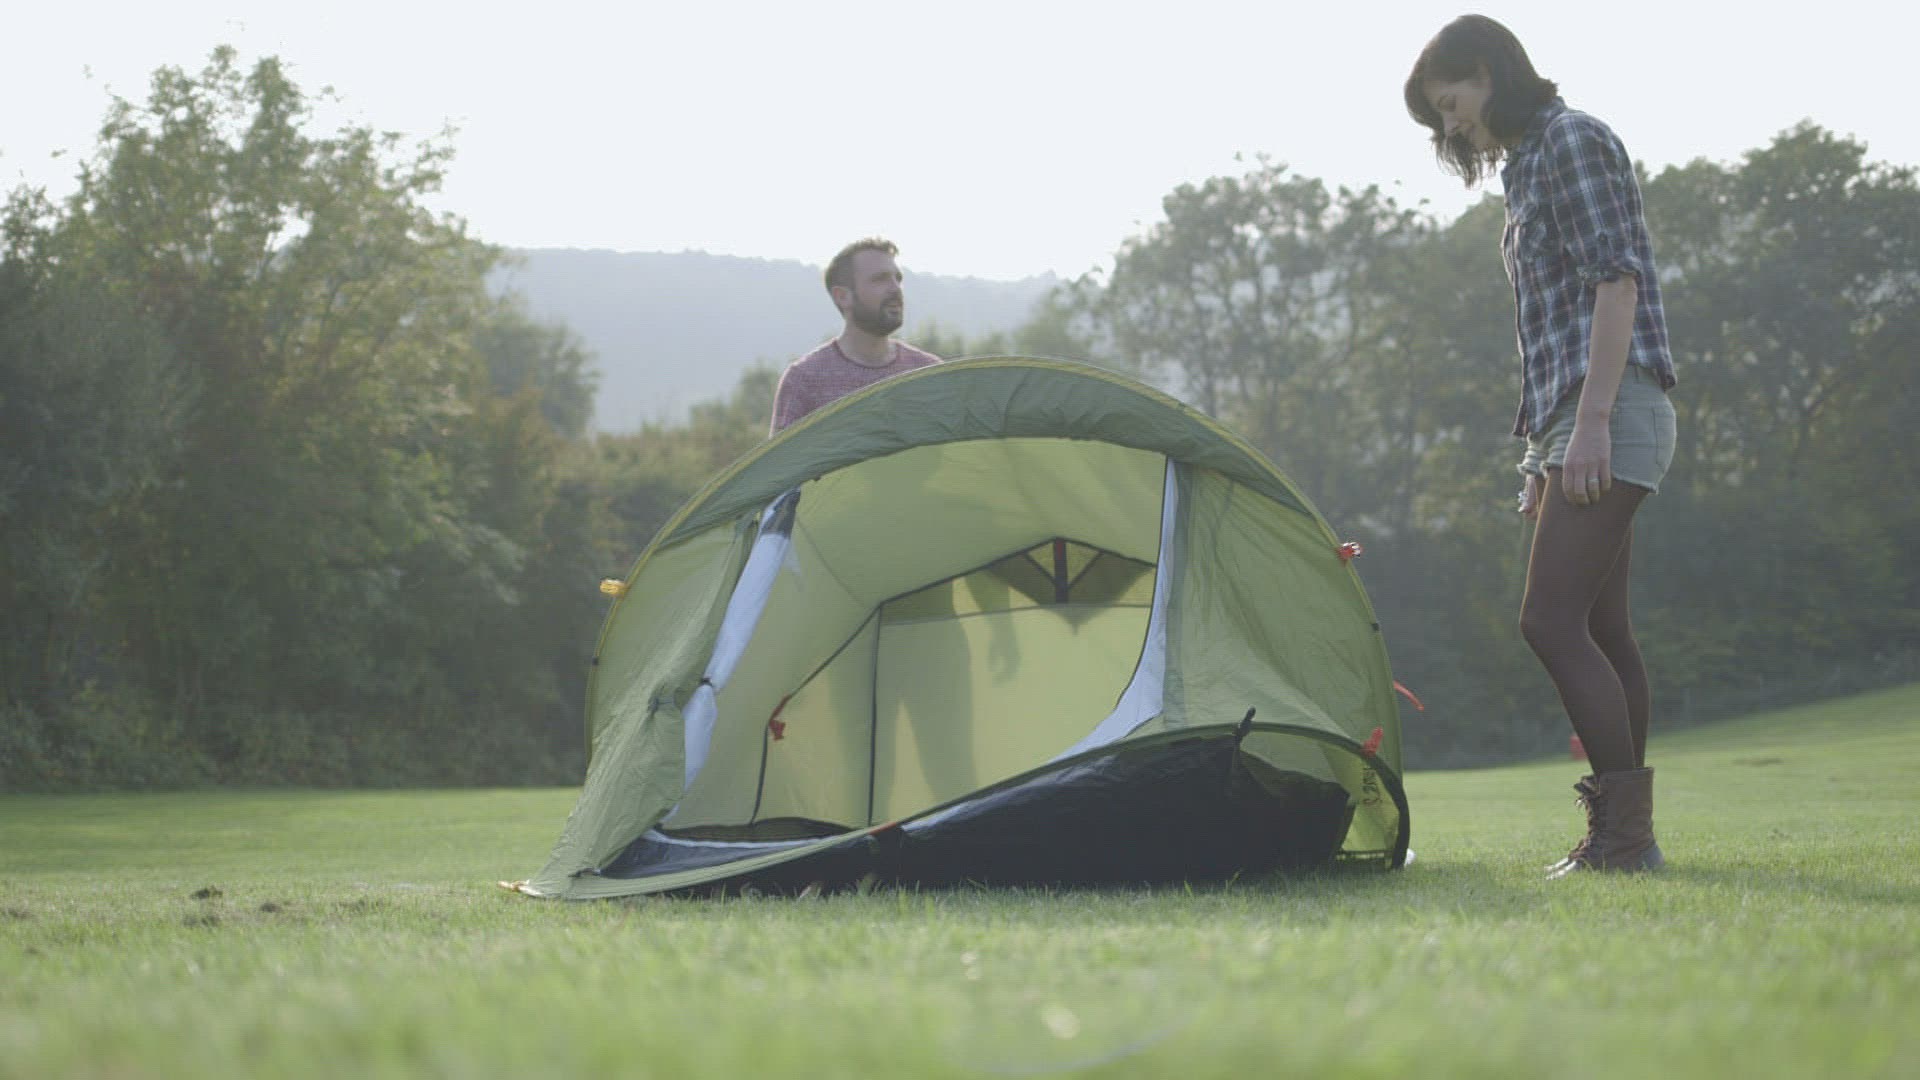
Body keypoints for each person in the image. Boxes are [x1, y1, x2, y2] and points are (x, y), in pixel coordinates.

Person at [1405, 15, 1678, 876]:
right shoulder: (1525, 169)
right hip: (1576, 416)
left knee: (1549, 621)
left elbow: (1614, 284)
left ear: (1488, 73)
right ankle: (1629, 836)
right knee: (1602, 626)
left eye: (1452, 103)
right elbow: (1547, 333)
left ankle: (1624, 837)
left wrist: (1592, 424)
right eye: (1440, 117)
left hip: (1614, 409)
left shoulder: (1571, 140)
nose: (1452, 125)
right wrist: (1540, 457)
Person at [770, 237, 941, 433]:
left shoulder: (928, 372)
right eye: (880, 279)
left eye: (898, 279)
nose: (895, 288)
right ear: (843, 297)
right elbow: (785, 454)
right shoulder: (805, 380)